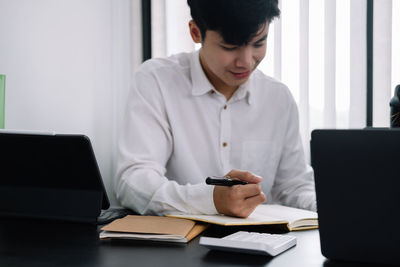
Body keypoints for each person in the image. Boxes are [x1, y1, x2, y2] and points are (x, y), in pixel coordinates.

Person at [115, 0, 316, 218]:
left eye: (259, 43)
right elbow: (133, 180)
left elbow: (294, 186)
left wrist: (334, 206)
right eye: (230, 47)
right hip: (179, 245)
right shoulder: (156, 81)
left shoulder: (278, 98)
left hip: (263, 244)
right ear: (195, 32)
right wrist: (209, 200)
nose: (246, 62)